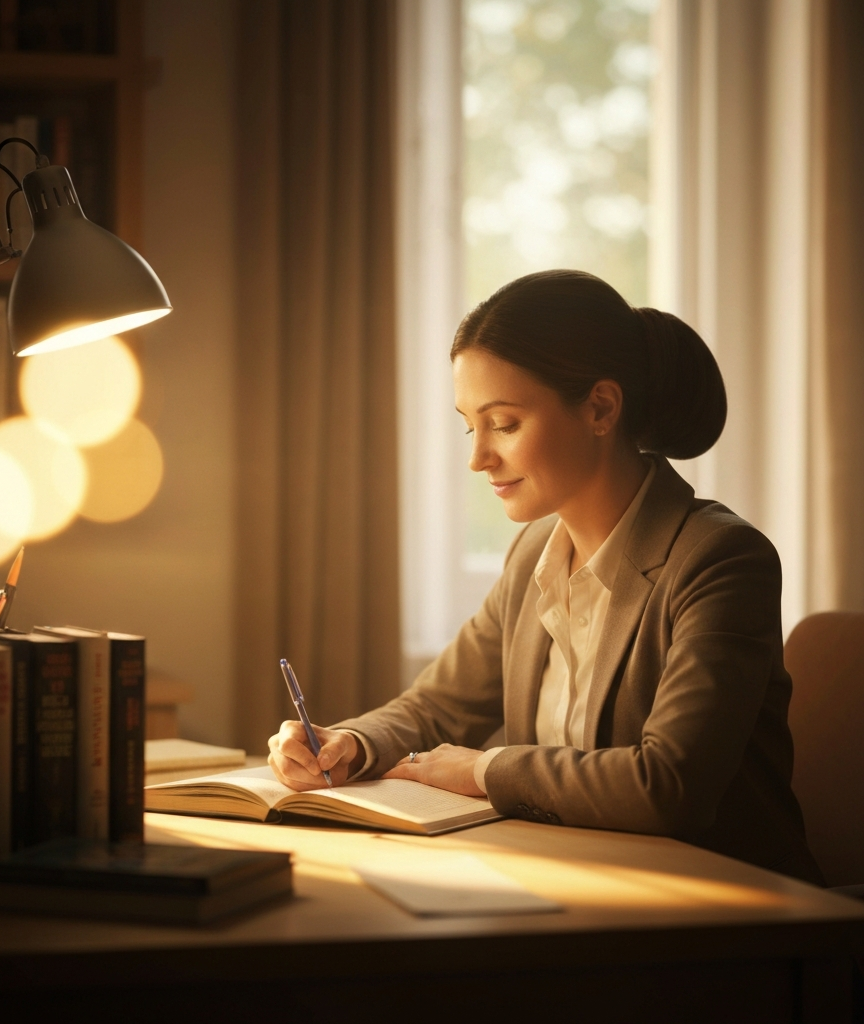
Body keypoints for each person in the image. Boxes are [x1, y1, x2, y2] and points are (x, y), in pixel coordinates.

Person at [267, 269, 823, 885]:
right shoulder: (534, 551)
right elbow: (438, 707)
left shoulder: (720, 560)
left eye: (504, 424)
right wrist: (347, 742)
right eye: (469, 425)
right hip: (574, 881)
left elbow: (669, 786)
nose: (478, 458)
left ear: (600, 409)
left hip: (732, 919)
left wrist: (482, 771)